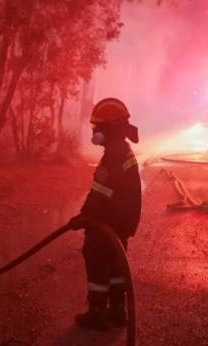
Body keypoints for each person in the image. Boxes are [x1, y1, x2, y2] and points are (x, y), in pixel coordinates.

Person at [69, 98, 142, 331]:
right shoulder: (122, 148)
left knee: (97, 260)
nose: (95, 131)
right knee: (115, 265)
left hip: (108, 221)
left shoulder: (113, 155)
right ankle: (117, 310)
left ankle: (98, 314)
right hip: (121, 220)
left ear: (110, 128)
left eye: (98, 127)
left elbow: (101, 192)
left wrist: (84, 216)